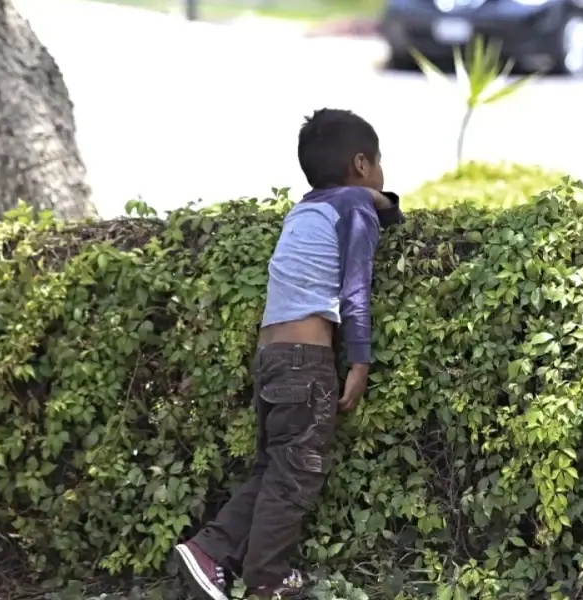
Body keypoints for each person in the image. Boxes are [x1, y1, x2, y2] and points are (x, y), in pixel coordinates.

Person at [171, 108, 404, 600]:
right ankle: (267, 581)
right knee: (298, 475)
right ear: (361, 164)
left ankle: (212, 550)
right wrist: (360, 362)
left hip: (273, 359)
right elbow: (356, 290)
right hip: (307, 361)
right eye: (379, 163)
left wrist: (381, 200)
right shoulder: (355, 210)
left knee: (275, 469)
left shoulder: (306, 210)